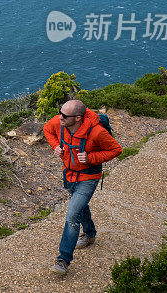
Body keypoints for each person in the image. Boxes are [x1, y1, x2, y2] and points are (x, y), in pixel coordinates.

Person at [43, 99, 122, 275]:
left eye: (64, 115)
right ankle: (90, 233)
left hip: (88, 177)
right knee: (80, 207)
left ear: (78, 118)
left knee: (72, 214)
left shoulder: (97, 132)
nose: (59, 117)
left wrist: (91, 158)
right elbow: (47, 129)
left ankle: (63, 259)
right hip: (69, 174)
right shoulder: (59, 122)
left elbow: (116, 150)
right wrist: (56, 146)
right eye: (60, 112)